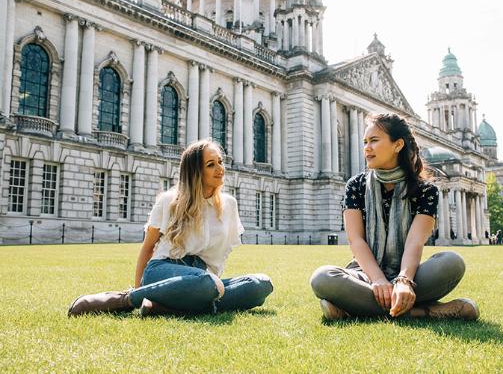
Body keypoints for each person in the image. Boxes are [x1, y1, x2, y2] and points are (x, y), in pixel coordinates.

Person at [68, 140, 273, 317]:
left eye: (220, 162)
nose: (220, 169)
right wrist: (141, 286)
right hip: (163, 270)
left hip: (202, 276)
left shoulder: (229, 205)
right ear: (196, 172)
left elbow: (220, 255)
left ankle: (167, 307)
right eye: (211, 164)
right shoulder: (169, 201)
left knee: (261, 285)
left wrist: (209, 283)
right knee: (208, 285)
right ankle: (127, 298)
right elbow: (148, 247)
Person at [310, 113, 479, 321]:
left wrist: (404, 281)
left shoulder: (426, 190)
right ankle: (427, 311)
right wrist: (379, 280)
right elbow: (356, 240)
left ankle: (352, 309)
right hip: (365, 273)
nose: (366, 148)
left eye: (374, 140)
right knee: (322, 278)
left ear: (397, 145)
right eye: (365, 142)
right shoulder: (356, 185)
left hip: (410, 272)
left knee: (452, 263)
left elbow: (414, 243)